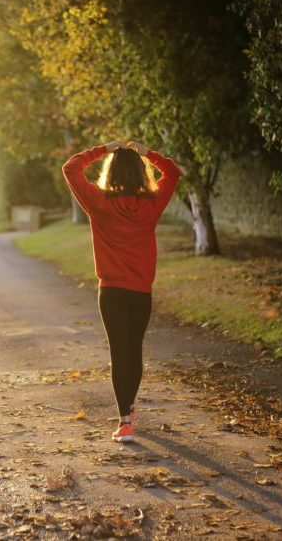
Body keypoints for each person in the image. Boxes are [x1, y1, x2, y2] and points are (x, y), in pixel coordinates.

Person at [62, 140, 181, 442]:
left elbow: (71, 168)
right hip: (141, 292)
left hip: (112, 293)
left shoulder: (99, 203)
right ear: (141, 173)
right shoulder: (152, 204)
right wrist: (147, 153)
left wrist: (104, 148)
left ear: (110, 172)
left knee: (119, 352)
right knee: (134, 350)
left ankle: (125, 420)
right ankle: (128, 408)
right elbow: (173, 172)